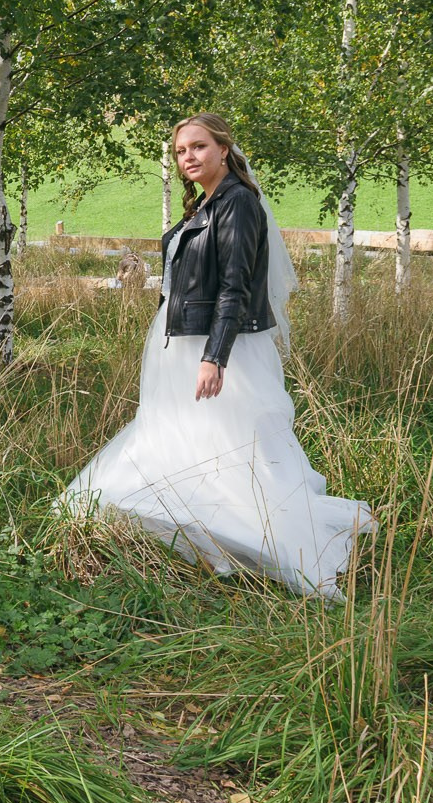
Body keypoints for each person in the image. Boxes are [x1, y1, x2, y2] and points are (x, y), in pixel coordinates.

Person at [61, 113, 374, 600]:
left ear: (223, 150)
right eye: (181, 150)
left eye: (199, 147)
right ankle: (196, 529)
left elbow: (235, 286)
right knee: (180, 435)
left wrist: (216, 356)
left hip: (217, 346)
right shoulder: (203, 204)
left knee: (231, 441)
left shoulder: (238, 204)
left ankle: (269, 540)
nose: (189, 157)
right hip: (180, 342)